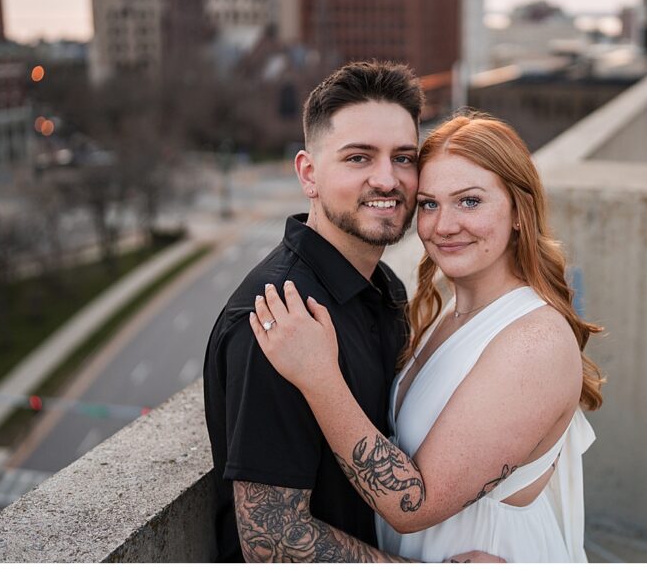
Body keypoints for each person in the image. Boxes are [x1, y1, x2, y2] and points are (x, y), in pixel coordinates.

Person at [251, 110, 605, 562]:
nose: (444, 226)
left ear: (520, 210)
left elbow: (412, 504)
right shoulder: (448, 313)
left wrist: (319, 377)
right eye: (429, 204)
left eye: (470, 201)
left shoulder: (533, 341)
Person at [203, 62, 499, 563]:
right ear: (309, 174)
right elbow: (271, 540)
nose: (387, 180)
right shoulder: (279, 315)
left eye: (403, 158)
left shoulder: (385, 289)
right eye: (359, 157)